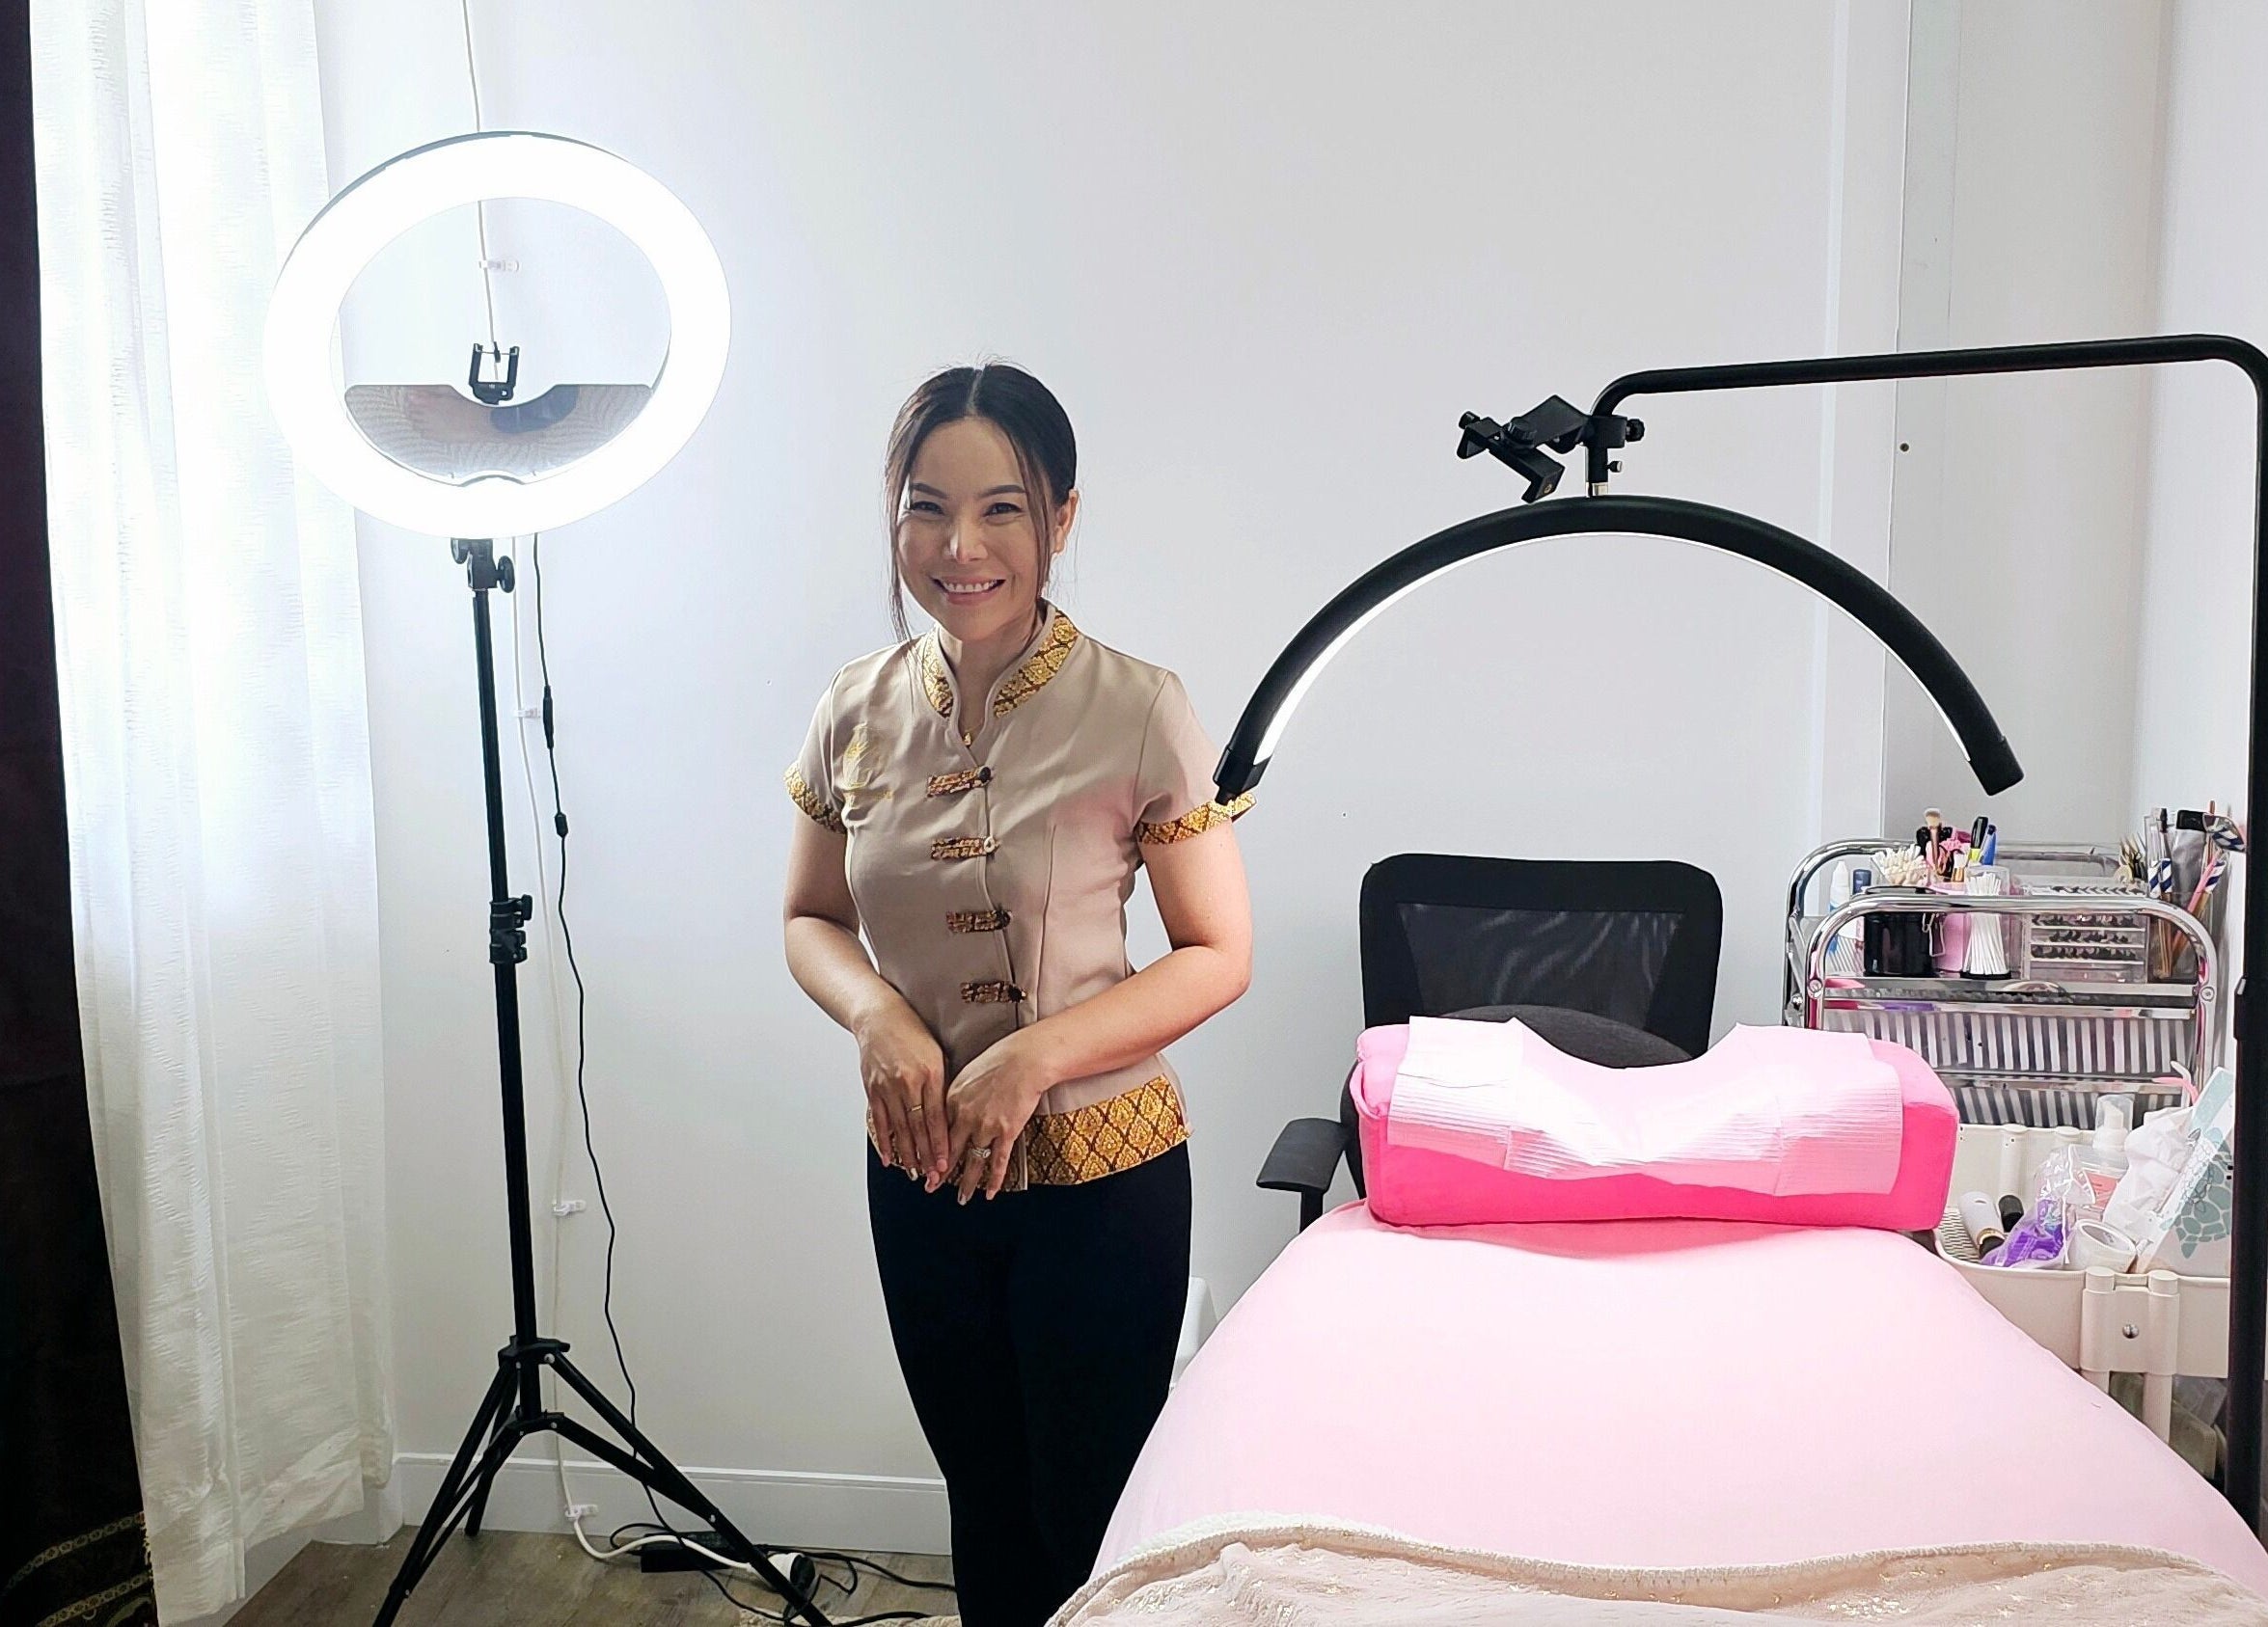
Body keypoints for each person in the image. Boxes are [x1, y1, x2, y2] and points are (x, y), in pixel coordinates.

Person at [780, 363, 1253, 1626]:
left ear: (1061, 519)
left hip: (1105, 1185)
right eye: (927, 507)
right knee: (982, 1504)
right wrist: (879, 1015)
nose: (959, 545)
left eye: (1001, 508)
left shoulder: (1140, 706)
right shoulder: (856, 709)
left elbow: (1218, 950)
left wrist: (1036, 1057)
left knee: (1094, 1518)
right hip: (923, 1173)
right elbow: (811, 918)